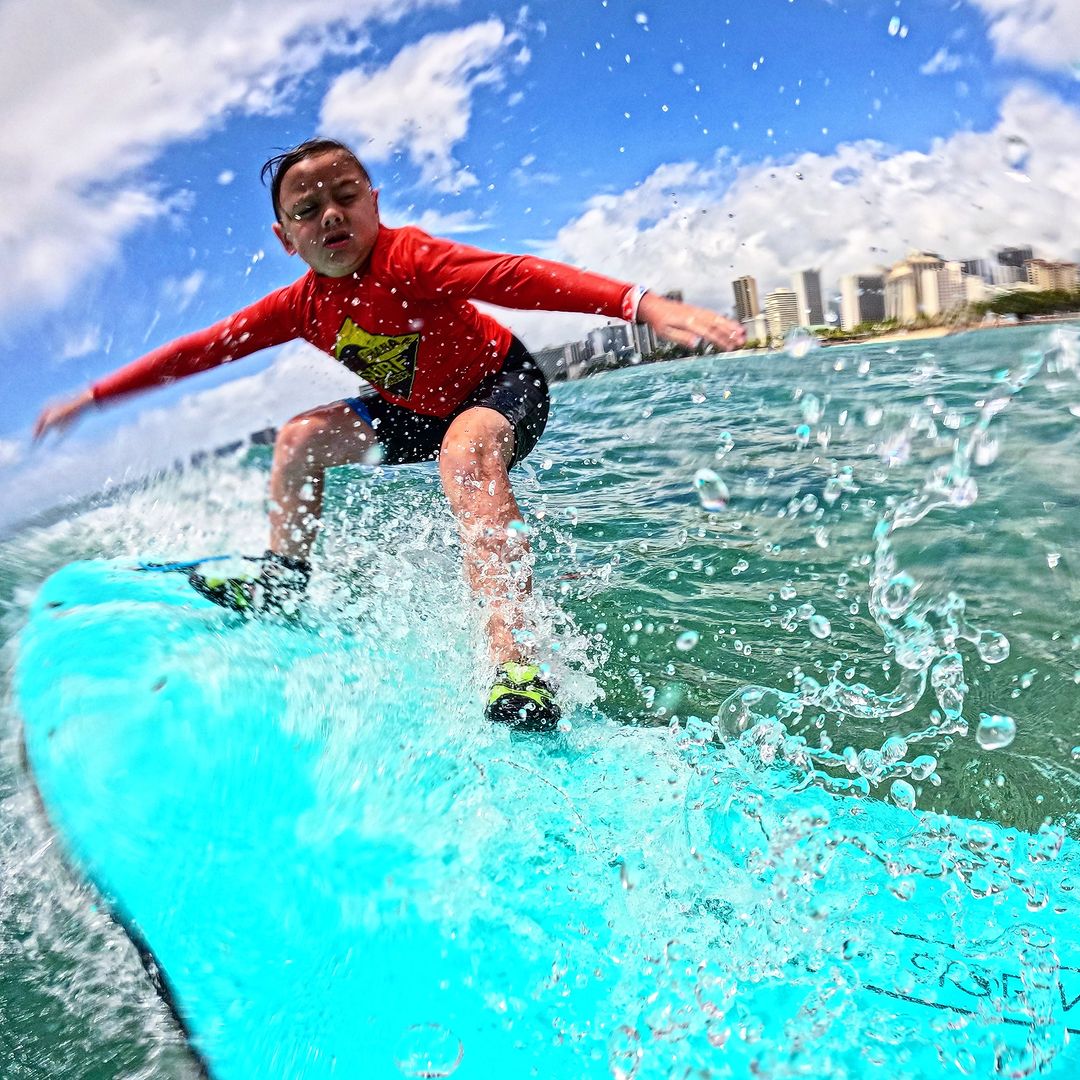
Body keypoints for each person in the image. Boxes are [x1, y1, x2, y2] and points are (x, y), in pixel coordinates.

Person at [34, 138, 745, 731]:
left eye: (346, 195)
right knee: (299, 437)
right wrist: (97, 396)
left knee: (465, 453)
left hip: (501, 386)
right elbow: (203, 349)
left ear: (374, 202)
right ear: (286, 239)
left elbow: (518, 276)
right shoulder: (298, 306)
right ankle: (284, 579)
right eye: (308, 210)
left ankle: (516, 662)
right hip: (411, 410)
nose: (331, 215)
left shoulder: (412, 260)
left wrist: (638, 303)